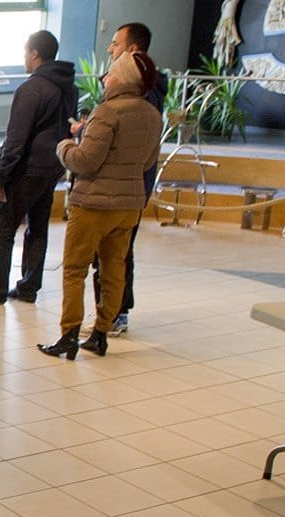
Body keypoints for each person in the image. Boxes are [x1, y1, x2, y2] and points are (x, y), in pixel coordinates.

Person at [41, 51, 163, 359]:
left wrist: (65, 145)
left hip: (93, 204)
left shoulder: (106, 112)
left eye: (110, 73)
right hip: (129, 205)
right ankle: (101, 333)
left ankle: (69, 335)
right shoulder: (151, 114)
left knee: (74, 269)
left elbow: (86, 161)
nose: (105, 78)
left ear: (122, 79)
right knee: (113, 268)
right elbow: (148, 161)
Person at [0, 31, 77, 305]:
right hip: (52, 167)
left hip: (27, 169)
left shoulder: (32, 88)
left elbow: (16, 138)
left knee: (3, 227)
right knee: (37, 227)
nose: (24, 57)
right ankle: (28, 286)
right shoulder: (68, 86)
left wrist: (2, 175)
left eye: (26, 51)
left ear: (35, 53)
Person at [92, 22, 165, 337]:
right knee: (105, 252)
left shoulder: (146, 96)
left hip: (126, 186)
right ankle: (108, 312)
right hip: (117, 185)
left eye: (116, 44)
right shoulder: (126, 98)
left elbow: (136, 144)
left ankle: (115, 313)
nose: (111, 49)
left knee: (117, 253)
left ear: (134, 50)